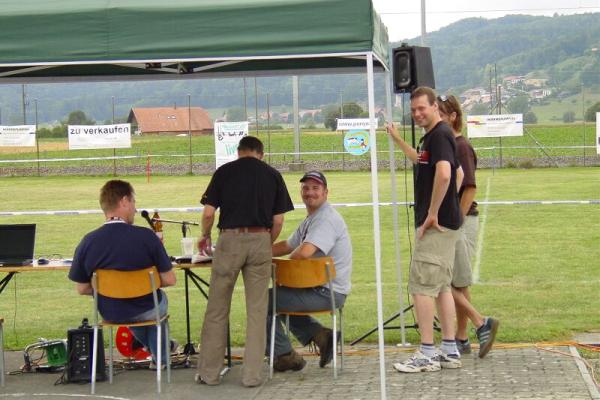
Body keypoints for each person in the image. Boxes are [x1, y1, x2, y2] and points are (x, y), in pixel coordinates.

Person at [196, 136, 294, 387]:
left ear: (238, 151)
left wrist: (205, 235)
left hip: (229, 239)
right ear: (261, 153)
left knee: (217, 309)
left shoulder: (224, 172)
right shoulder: (273, 175)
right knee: (257, 311)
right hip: (260, 239)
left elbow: (208, 213)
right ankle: (252, 376)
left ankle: (209, 373)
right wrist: (265, 241)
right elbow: (279, 220)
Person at [386, 86, 464, 373]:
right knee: (441, 287)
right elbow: (452, 172)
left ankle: (427, 353)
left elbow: (445, 174)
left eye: (422, 108)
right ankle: (449, 349)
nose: (417, 114)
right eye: (413, 110)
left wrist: (433, 212)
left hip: (436, 226)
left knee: (421, 286)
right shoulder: (434, 137)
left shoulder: (439, 135)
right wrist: (397, 139)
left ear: (434, 107)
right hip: (447, 223)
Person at [68, 179, 176, 368]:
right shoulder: (147, 237)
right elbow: (169, 279)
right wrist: (140, 285)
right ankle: (161, 356)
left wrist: (113, 288)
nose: (135, 209)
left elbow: (82, 288)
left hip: (110, 311)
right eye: (133, 202)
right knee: (156, 303)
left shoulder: (88, 241)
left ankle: (159, 353)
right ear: (124, 201)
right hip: (146, 307)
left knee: (135, 310)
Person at [268, 170, 352, 372]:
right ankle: (322, 337)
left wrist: (281, 266)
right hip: (319, 289)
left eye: (315, 188)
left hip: (327, 292)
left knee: (262, 300)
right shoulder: (312, 218)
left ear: (326, 193)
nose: (310, 192)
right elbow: (288, 245)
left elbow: (303, 253)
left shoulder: (326, 219)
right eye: (306, 188)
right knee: (276, 297)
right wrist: (256, 252)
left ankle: (284, 355)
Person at [437, 94, 499, 358]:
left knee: (446, 280)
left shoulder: (461, 146)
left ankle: (479, 323)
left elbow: (470, 188)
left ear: (453, 116)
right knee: (455, 281)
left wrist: (456, 221)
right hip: (454, 221)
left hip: (461, 221)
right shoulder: (448, 144)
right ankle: (462, 337)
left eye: (441, 114)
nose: (436, 119)